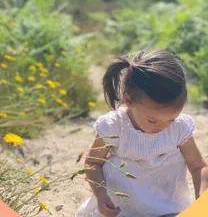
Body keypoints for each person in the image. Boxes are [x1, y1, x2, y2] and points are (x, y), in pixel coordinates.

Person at [76, 50, 208, 217]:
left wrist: (202, 197)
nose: (164, 126)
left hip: (166, 208)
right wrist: (101, 195)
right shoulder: (114, 127)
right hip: (120, 209)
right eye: (153, 120)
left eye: (171, 119)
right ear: (129, 101)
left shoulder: (179, 128)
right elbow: (93, 164)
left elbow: (198, 166)